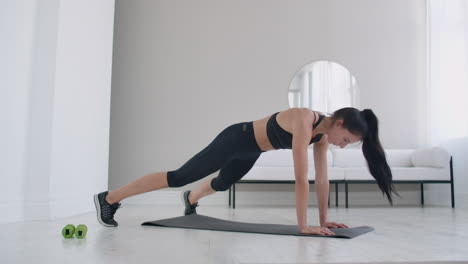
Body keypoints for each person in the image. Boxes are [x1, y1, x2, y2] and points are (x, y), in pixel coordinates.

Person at [94, 107, 397, 235]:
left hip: (253, 150)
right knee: (179, 176)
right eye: (345, 141)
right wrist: (303, 226)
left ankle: (192, 199)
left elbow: (321, 179)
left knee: (222, 184)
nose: (341, 146)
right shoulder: (305, 119)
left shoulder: (322, 138)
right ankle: (109, 198)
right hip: (236, 138)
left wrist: (323, 220)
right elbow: (301, 177)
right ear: (340, 124)